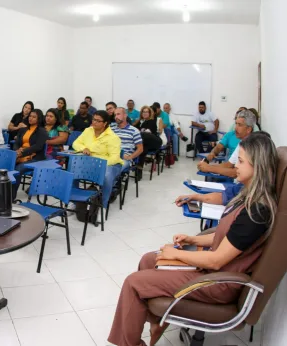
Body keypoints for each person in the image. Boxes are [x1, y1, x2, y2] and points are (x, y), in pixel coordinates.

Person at [108, 133, 278, 346]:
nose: (236, 165)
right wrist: (193, 240)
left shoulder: (257, 211)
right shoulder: (248, 195)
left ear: (258, 166)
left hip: (218, 281)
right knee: (148, 260)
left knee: (133, 283)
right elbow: (226, 238)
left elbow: (217, 260)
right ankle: (156, 322)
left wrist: (177, 253)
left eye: (242, 161)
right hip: (215, 271)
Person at [73, 110, 123, 208]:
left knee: (107, 176)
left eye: (97, 121)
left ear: (105, 123)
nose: (94, 122)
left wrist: (98, 164)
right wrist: (84, 148)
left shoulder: (113, 137)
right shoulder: (88, 130)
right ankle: (75, 201)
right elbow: (76, 143)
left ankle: (103, 204)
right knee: (73, 172)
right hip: (90, 162)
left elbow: (114, 158)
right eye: (93, 119)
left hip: (110, 164)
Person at [198, 110, 257, 178]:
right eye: (236, 124)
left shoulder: (253, 146)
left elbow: (235, 173)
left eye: (240, 125)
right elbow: (228, 165)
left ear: (249, 129)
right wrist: (206, 166)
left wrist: (209, 168)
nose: (235, 128)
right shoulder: (241, 143)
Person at [12, 109, 48, 199]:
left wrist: (22, 152)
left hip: (35, 158)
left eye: (34, 117)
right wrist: (17, 151)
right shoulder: (23, 130)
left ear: (39, 119)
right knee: (5, 166)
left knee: (18, 169)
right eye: (30, 116)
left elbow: (38, 147)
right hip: (20, 154)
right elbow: (17, 142)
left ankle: (11, 196)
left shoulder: (42, 131)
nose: (30, 118)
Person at [111, 108, 143, 174]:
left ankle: (112, 183)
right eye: (115, 115)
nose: (116, 117)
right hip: (111, 155)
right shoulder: (111, 129)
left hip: (124, 158)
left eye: (118, 114)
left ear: (125, 115)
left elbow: (140, 149)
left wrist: (130, 157)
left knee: (113, 170)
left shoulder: (134, 130)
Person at [134, 106, 163, 180]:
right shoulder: (140, 122)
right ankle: (139, 170)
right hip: (145, 143)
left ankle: (136, 165)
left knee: (143, 135)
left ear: (150, 113)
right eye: (143, 112)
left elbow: (149, 133)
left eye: (147, 112)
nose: (145, 113)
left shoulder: (152, 121)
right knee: (142, 149)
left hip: (155, 141)